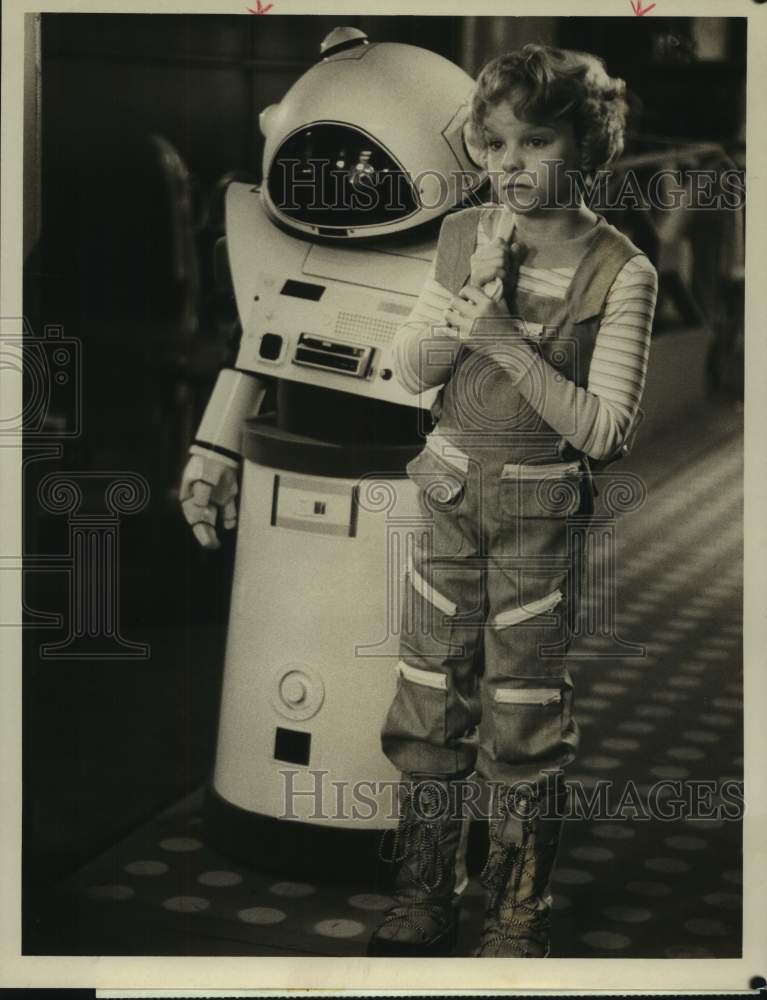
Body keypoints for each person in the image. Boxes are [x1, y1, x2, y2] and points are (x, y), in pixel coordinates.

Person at [367, 43, 658, 958]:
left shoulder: (624, 271)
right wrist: (470, 299)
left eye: (534, 143)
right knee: (426, 694)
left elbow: (603, 431)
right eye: (493, 146)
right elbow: (406, 369)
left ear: (588, 144)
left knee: (524, 710)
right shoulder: (461, 237)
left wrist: (505, 341)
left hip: (537, 522)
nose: (508, 166)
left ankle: (516, 911)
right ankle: (423, 895)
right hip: (449, 499)